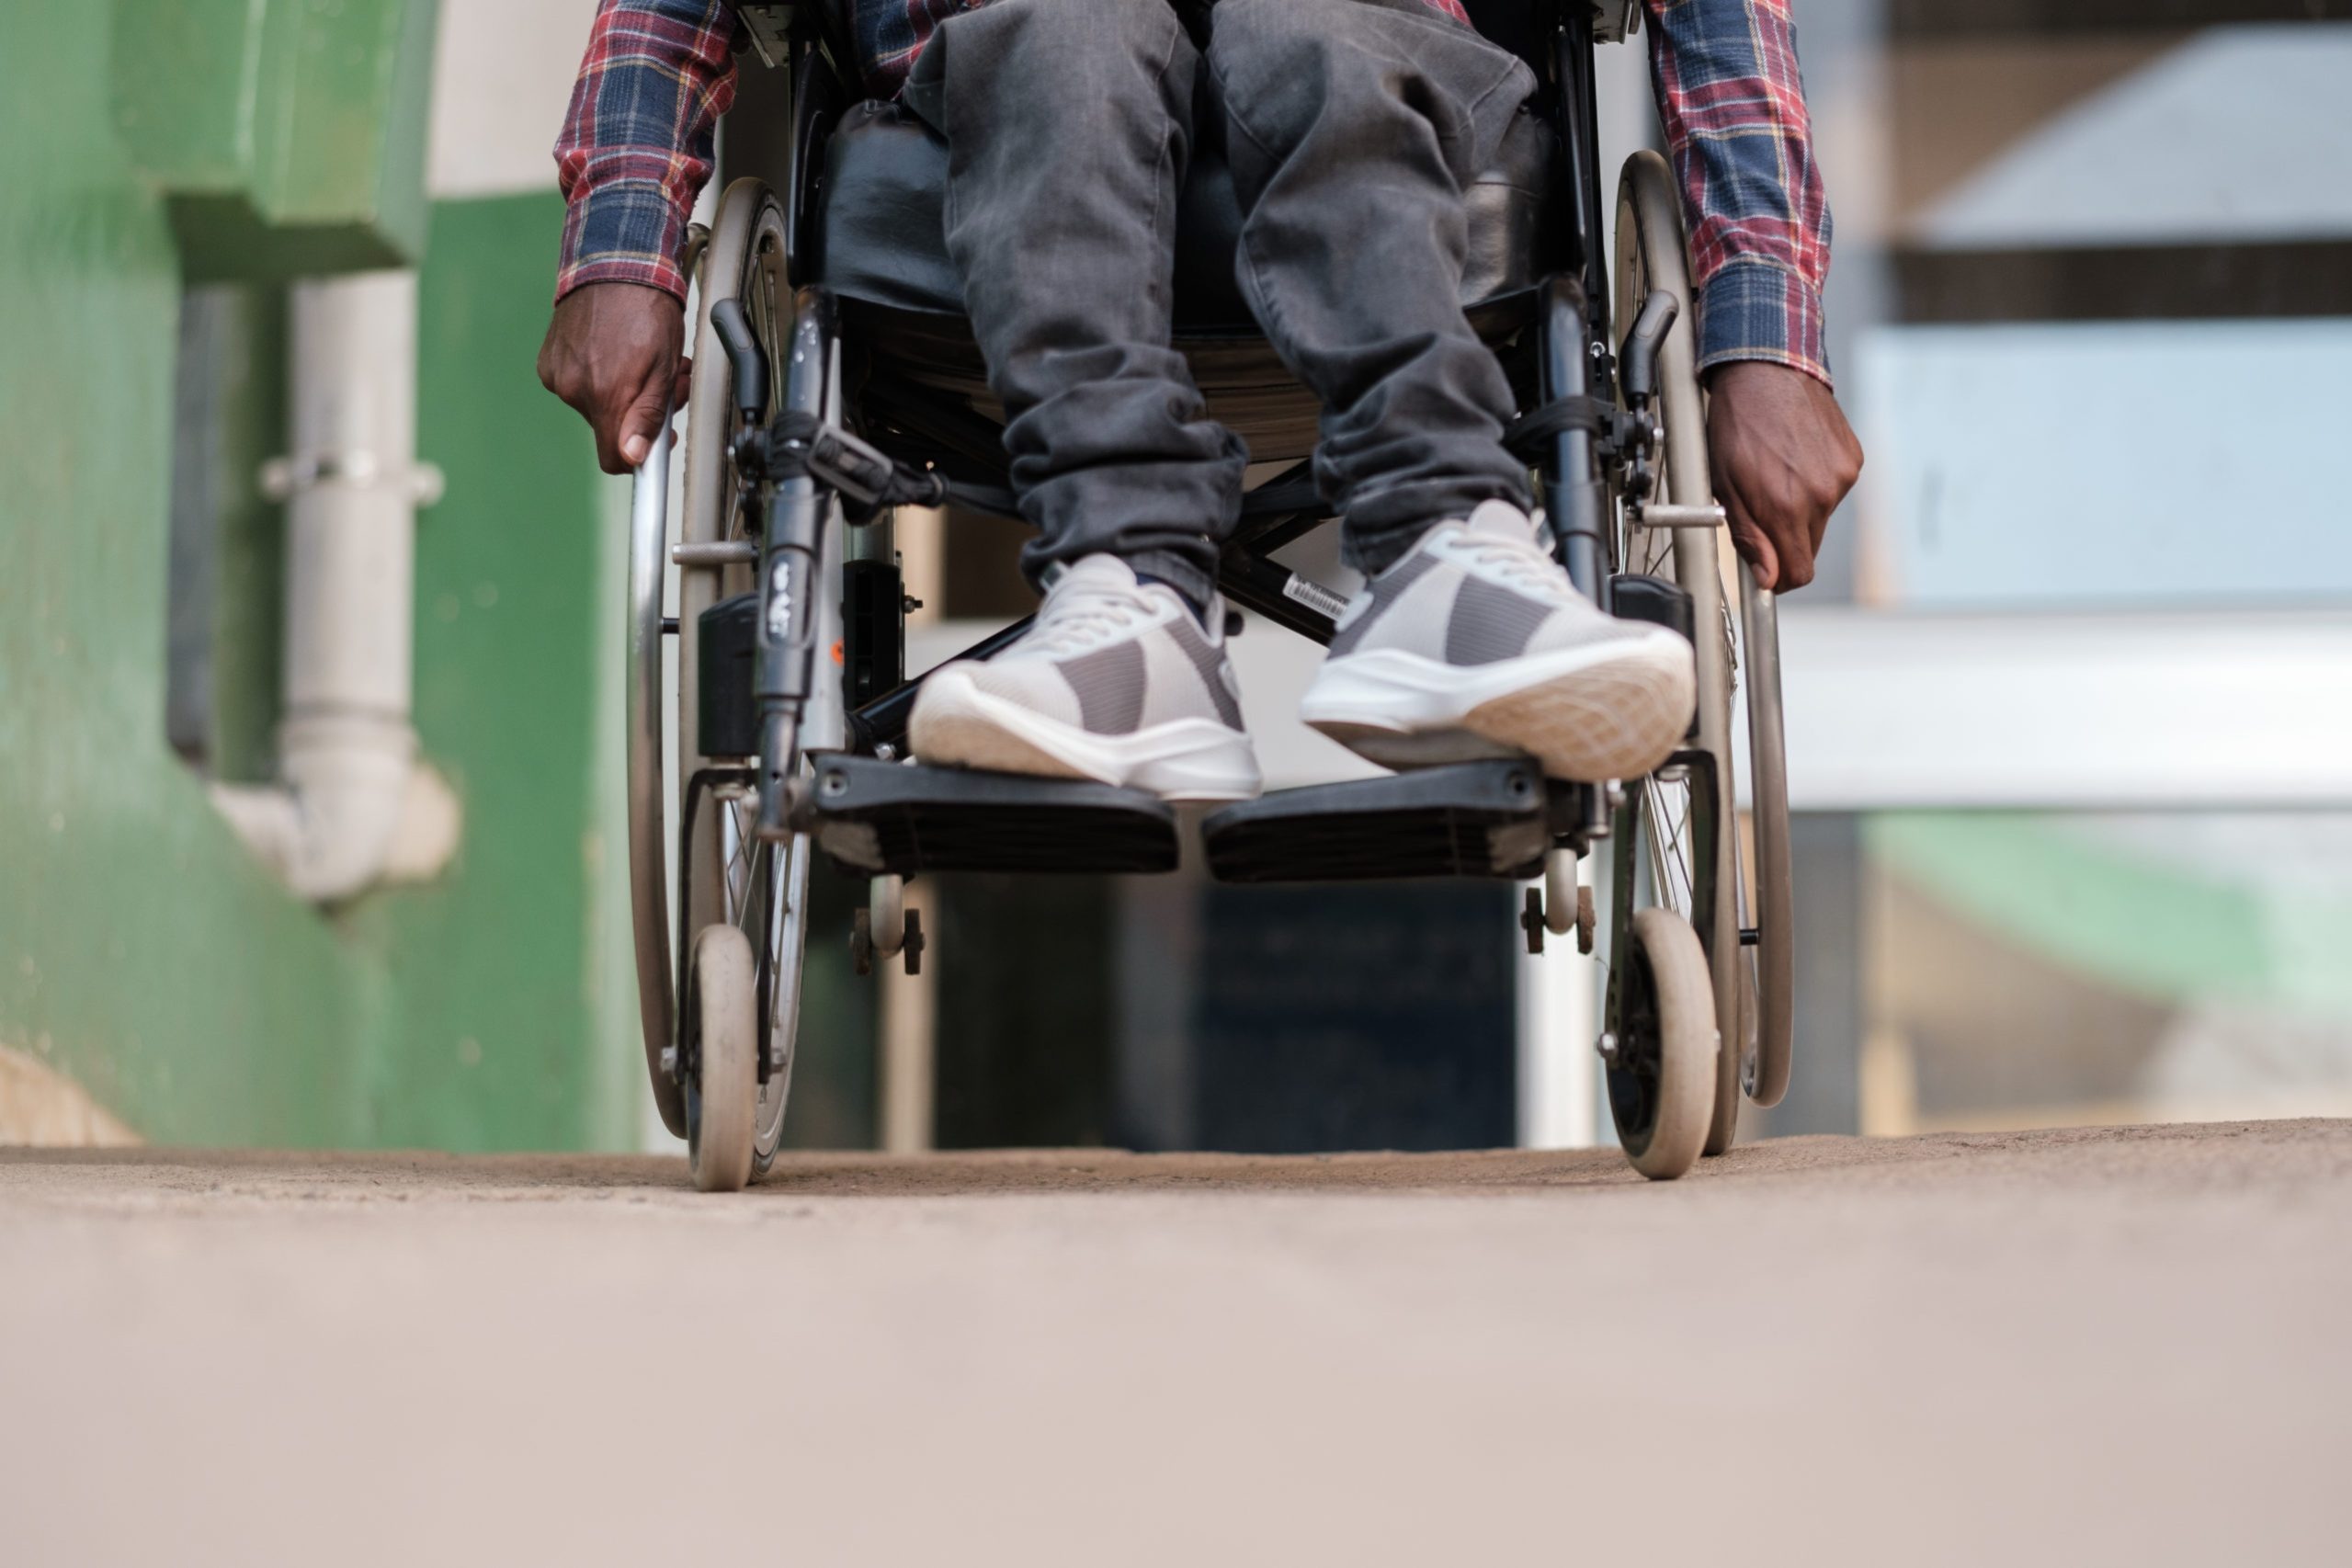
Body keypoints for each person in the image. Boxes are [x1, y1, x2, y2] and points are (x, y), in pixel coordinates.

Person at [540, 0, 1863, 801]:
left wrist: (1761, 327)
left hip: (1362, 48)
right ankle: (1125, 603)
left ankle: (1447, 548)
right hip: (1008, 65)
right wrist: (623, 239)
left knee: (1317, 28)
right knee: (1068, 33)